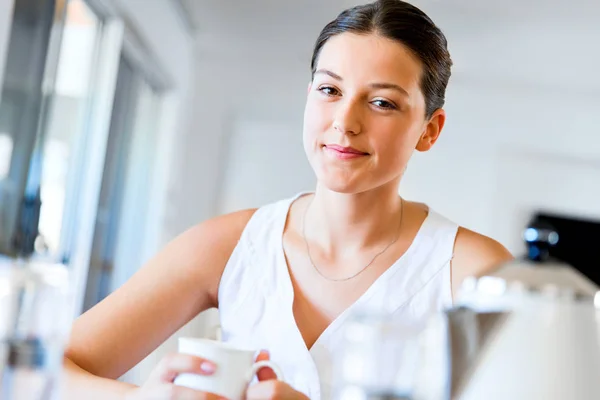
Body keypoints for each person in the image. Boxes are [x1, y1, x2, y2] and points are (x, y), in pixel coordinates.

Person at [63, 0, 513, 399]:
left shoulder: (476, 275)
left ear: (429, 130)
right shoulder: (228, 245)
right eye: (330, 90)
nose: (345, 122)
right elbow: (50, 368)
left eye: (381, 103)